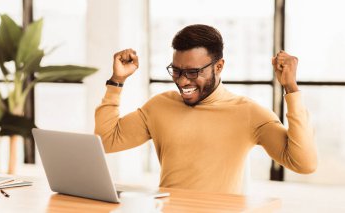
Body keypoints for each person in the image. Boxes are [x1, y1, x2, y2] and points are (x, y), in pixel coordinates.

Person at [95, 24, 317, 194]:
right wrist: (117, 81)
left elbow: (304, 164)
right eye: (176, 71)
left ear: (219, 66)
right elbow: (106, 140)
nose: (182, 82)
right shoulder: (160, 106)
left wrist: (291, 89)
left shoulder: (249, 113)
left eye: (192, 72)